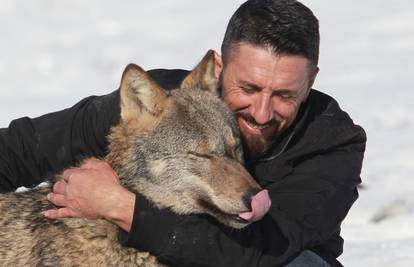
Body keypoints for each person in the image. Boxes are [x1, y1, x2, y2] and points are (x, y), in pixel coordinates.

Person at [0, 0, 366, 266]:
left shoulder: (332, 145)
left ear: (311, 81)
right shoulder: (156, 105)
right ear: (218, 70)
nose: (262, 111)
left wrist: (123, 208)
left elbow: (262, 250)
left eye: (285, 94)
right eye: (249, 88)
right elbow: (19, 150)